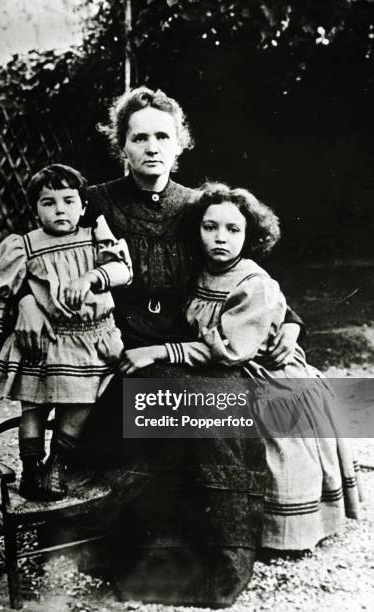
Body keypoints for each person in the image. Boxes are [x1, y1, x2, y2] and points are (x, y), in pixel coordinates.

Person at [14, 88, 302, 606]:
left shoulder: (198, 206)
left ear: (181, 144)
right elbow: (39, 252)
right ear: (120, 145)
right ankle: (149, 559)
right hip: (120, 356)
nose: (151, 147)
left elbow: (246, 277)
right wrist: (30, 304)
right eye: (138, 136)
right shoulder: (93, 201)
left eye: (162, 136)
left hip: (193, 350)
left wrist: (293, 324)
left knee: (225, 412)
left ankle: (220, 563)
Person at [121, 181, 361, 551]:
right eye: (210, 227)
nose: (221, 237)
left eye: (233, 229)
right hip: (224, 363)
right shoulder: (197, 271)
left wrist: (160, 351)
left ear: (249, 235)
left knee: (274, 431)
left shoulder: (252, 282)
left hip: (264, 367)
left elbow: (231, 349)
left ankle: (280, 531)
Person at [0, 164, 132, 501]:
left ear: (83, 205)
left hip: (90, 339)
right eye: (48, 202)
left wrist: (92, 278)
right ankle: (31, 467)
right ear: (35, 209)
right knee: (32, 407)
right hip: (43, 341)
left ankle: (58, 463)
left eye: (68, 200)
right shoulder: (25, 245)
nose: (60, 209)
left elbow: (121, 269)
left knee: (80, 404)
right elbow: (1, 288)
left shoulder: (95, 236)